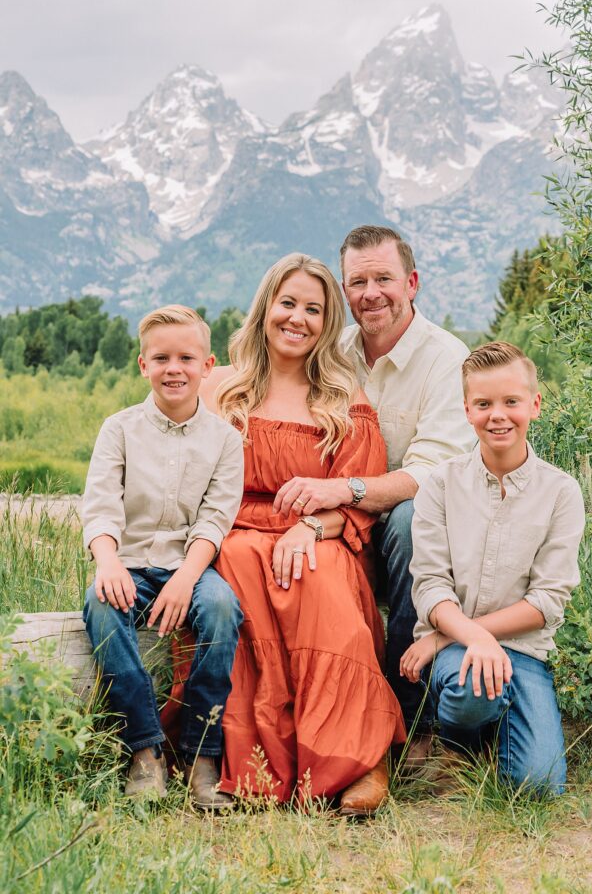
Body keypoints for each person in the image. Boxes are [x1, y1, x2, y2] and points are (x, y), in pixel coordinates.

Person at [201, 253, 405, 813]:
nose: (298, 318)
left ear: (327, 322)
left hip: (321, 535)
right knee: (242, 562)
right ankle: (257, 766)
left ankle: (360, 760)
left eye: (314, 309)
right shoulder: (221, 389)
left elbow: (357, 501)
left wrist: (311, 527)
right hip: (235, 527)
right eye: (288, 303)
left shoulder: (341, 397)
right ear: (266, 307)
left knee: (317, 578)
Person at [273, 225, 475, 756]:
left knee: (411, 518)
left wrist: (339, 489)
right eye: (358, 282)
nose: (371, 293)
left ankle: (410, 717)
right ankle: (298, 722)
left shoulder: (446, 360)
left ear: (411, 282)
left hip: (410, 533)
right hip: (339, 522)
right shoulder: (331, 351)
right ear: (344, 291)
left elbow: (430, 475)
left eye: (383, 278)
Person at [400, 342, 585, 794]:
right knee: (474, 688)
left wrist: (459, 631)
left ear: (534, 405)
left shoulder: (561, 492)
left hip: (522, 653)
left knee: (537, 786)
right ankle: (459, 744)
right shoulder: (441, 485)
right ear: (467, 410)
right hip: (456, 657)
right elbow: (429, 586)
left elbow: (546, 602)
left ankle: (498, 734)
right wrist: (465, 640)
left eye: (510, 402)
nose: (497, 415)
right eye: (483, 404)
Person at [82, 305, 244, 808]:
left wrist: (185, 578)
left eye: (186, 358)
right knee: (101, 606)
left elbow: (215, 519)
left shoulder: (226, 439)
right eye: (161, 358)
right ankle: (146, 751)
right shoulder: (119, 429)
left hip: (190, 566)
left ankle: (201, 755)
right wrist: (107, 562)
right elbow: (102, 505)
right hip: (127, 563)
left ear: (208, 365)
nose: (174, 368)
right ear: (142, 365)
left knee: (221, 608)